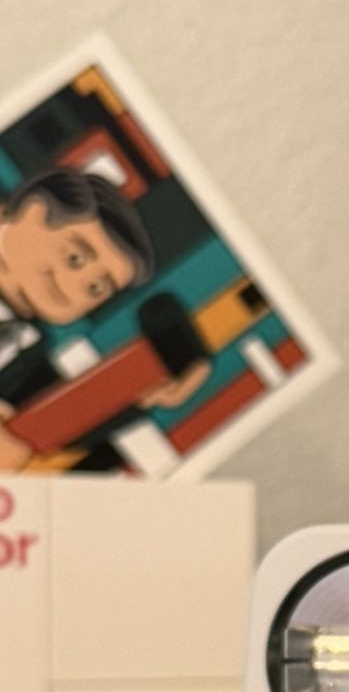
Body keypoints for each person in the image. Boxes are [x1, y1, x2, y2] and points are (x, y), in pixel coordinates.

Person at [0, 169, 207, 470]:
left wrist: (189, 366)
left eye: (95, 288)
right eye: (75, 258)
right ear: (33, 210)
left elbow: (68, 423)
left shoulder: (29, 354)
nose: (73, 289)